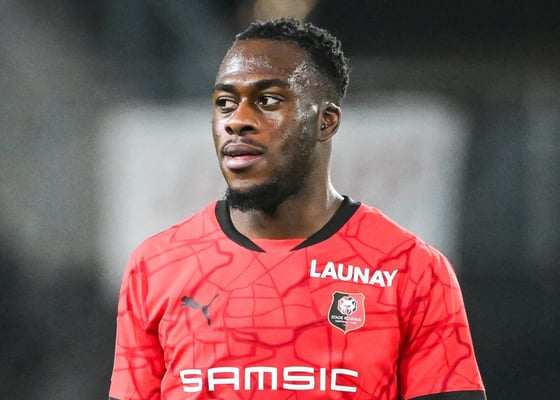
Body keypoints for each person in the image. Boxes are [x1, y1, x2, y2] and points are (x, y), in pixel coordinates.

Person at [108, 17, 486, 400]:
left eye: (268, 100)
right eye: (225, 103)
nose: (237, 121)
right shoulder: (155, 265)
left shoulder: (412, 270)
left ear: (326, 121)